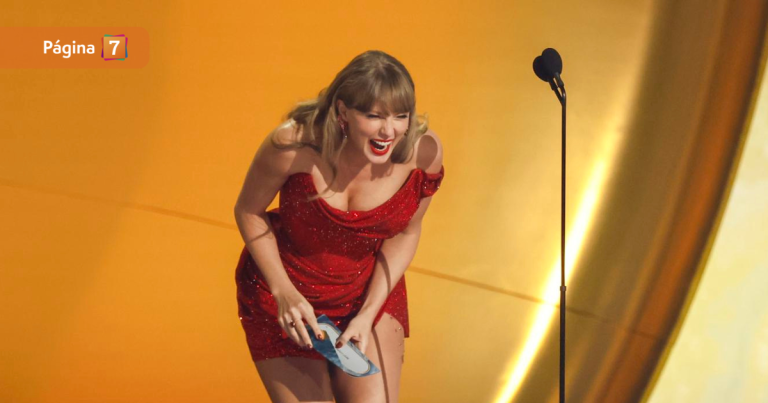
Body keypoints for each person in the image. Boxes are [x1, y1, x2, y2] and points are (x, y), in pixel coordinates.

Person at [233, 50, 445, 403]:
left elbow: (407, 231)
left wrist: (368, 313)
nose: (388, 130)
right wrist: (284, 293)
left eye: (400, 116)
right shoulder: (293, 144)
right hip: (287, 298)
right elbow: (248, 211)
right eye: (374, 116)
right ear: (343, 111)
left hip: (367, 293)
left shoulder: (423, 153)